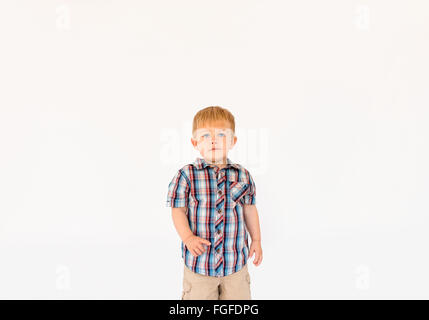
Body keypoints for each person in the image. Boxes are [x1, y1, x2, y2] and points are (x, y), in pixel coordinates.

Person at [166, 106, 263, 300]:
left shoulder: (242, 175)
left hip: (235, 263)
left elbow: (250, 209)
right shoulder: (186, 175)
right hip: (200, 265)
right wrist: (188, 238)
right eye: (204, 136)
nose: (212, 140)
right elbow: (178, 211)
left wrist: (257, 240)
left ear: (233, 141)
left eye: (221, 134)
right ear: (195, 143)